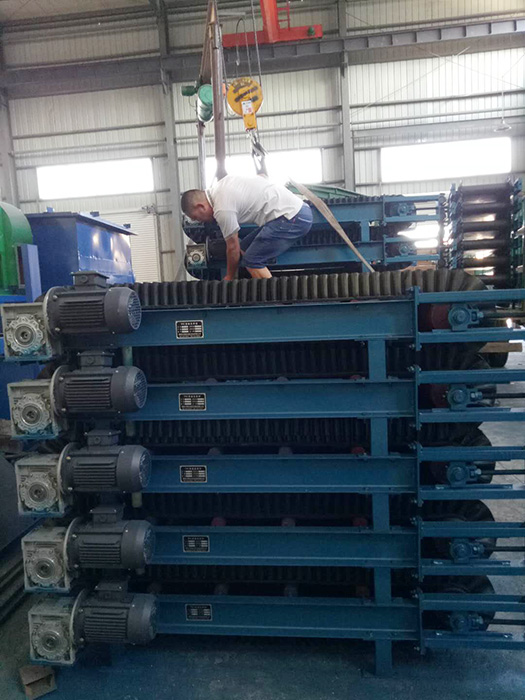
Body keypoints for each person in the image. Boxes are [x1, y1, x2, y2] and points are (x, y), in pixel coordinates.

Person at [181, 175, 313, 279]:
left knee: (252, 261)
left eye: (196, 217)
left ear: (201, 206)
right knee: (244, 248)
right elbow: (238, 248)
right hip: (293, 213)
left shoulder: (222, 209)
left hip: (292, 217)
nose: (200, 221)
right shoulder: (221, 186)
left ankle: (276, 301)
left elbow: (232, 248)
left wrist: (229, 277)